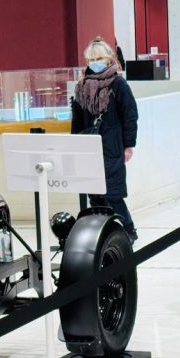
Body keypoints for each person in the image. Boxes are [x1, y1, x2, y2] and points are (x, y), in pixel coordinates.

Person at [72, 36, 139, 241]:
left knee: (113, 194)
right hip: (89, 147)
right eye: (92, 59)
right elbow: (77, 120)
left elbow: (130, 115)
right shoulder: (81, 86)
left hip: (112, 147)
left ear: (109, 58)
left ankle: (128, 230)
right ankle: (102, 234)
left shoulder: (118, 84)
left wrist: (129, 145)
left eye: (99, 58)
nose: (95, 63)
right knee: (94, 195)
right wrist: (75, 145)